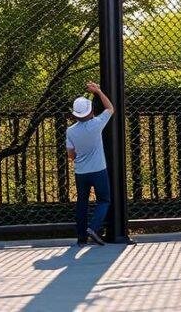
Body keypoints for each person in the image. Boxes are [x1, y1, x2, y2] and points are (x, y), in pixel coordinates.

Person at [66, 82, 114, 246]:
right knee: (104, 200)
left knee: (82, 203)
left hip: (81, 172)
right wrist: (99, 91)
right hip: (99, 170)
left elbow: (71, 154)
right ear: (91, 110)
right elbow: (110, 109)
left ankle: (81, 238)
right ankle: (93, 228)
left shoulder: (70, 131)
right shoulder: (97, 124)